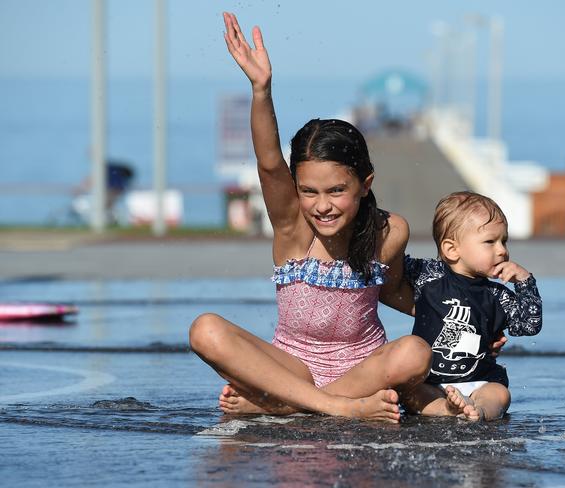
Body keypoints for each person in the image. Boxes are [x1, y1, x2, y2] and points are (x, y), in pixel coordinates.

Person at [189, 12, 433, 423]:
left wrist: (470, 317)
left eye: (337, 191)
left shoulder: (389, 232)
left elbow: (393, 291)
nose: (322, 205)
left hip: (363, 371)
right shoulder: (293, 230)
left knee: (415, 354)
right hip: (290, 368)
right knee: (204, 329)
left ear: (365, 184)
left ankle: (284, 406)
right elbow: (269, 164)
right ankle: (333, 407)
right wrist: (261, 89)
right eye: (309, 191)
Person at [400, 191, 542, 421]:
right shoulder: (428, 276)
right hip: (431, 380)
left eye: (504, 241)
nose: (502, 250)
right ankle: (447, 409)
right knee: (408, 392)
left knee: (500, 394)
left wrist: (526, 282)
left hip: (481, 378)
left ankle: (480, 410)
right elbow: (392, 258)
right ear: (451, 249)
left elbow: (528, 325)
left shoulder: (497, 295)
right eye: (490, 242)